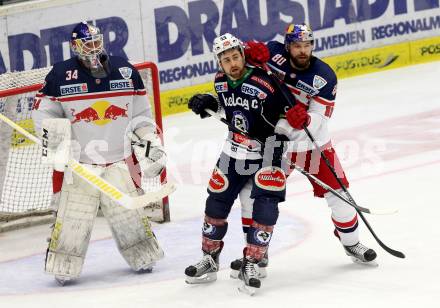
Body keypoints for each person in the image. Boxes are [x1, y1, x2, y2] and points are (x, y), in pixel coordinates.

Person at [232, 23, 377, 276]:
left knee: (342, 198)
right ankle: (256, 253)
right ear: (288, 46)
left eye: (307, 45)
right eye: (297, 46)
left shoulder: (325, 76)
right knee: (257, 196)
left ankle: (351, 244)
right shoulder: (272, 53)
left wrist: (306, 120)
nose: (302, 51)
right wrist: (248, 52)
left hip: (313, 145)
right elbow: (233, 62)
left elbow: (320, 118)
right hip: (276, 144)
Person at [32, 21, 166, 285]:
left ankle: (142, 255)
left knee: (129, 215)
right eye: (87, 43)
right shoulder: (60, 75)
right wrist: (57, 144)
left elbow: (140, 116)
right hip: (80, 165)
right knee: (72, 219)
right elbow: (42, 111)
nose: (94, 48)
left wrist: (150, 142)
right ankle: (63, 263)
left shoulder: (126, 71)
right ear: (75, 47)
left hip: (120, 160)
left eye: (96, 42)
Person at [184, 33, 293, 294]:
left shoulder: (264, 81)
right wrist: (210, 105)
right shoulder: (221, 81)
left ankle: (253, 260)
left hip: (269, 152)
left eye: (235, 57)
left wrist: (280, 135)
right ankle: (210, 259)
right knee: (215, 202)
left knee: (266, 208)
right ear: (219, 63)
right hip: (233, 152)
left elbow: (288, 114)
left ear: (243, 56)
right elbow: (231, 113)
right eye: (226, 60)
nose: (232, 63)